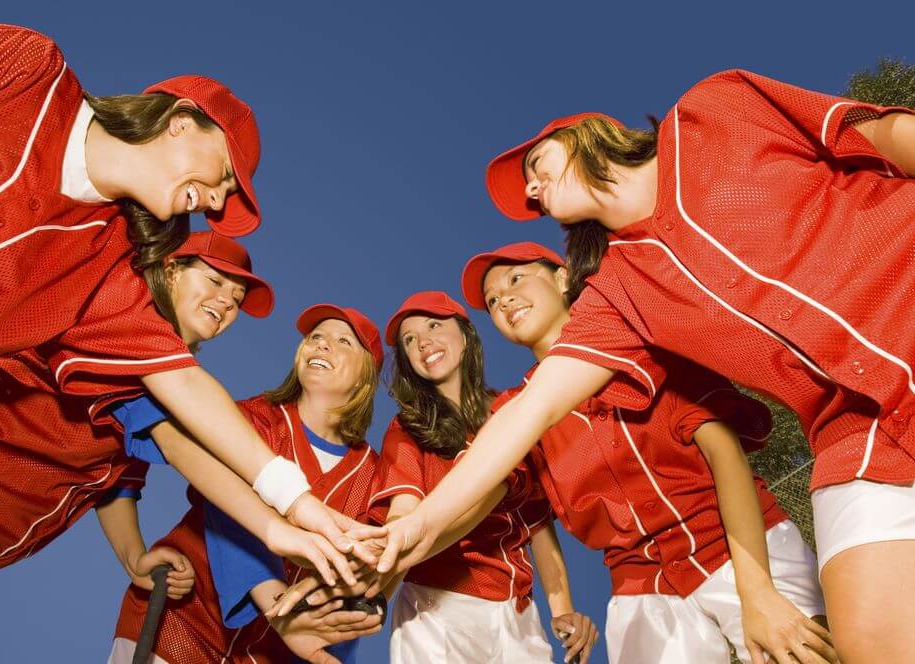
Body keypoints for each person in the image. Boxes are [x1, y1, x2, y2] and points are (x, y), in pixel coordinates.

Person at [373, 70, 914, 662]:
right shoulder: (622, 294)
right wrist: (416, 527)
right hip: (860, 436)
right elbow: (531, 410)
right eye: (529, 191)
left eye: (535, 165)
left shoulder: (716, 110)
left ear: (587, 133)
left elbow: (886, 135)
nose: (532, 191)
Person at [0, 20, 352, 562]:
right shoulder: (26, 72)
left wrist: (294, 509)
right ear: (181, 121)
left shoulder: (105, 270)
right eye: (226, 177)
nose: (216, 203)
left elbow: (183, 387)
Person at [0, 232, 299, 661]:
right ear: (171, 270)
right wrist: (283, 526)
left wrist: (134, 556)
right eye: (213, 280)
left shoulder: (165, 370)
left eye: (237, 295)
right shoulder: (129, 324)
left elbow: (119, 478)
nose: (227, 301)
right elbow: (178, 448)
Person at [465, 242, 833, 664]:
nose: (504, 299)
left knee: (803, 652)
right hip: (641, 583)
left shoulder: (637, 338)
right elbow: (477, 496)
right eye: (492, 301)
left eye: (515, 279)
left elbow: (724, 452)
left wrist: (759, 592)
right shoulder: (514, 414)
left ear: (563, 277)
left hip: (739, 544)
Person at [109, 304, 385, 664]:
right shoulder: (248, 421)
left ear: (366, 376)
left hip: (273, 654)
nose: (321, 345)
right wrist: (280, 609)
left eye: (343, 341)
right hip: (181, 620)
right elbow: (227, 513)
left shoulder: (373, 474)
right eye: (315, 337)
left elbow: (358, 584)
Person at [365, 291, 594, 663]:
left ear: (465, 334)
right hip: (435, 604)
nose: (422, 342)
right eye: (409, 340)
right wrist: (376, 582)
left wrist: (562, 609)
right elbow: (402, 513)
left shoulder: (517, 411)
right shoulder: (408, 426)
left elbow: (536, 526)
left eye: (434, 325)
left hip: (515, 611)